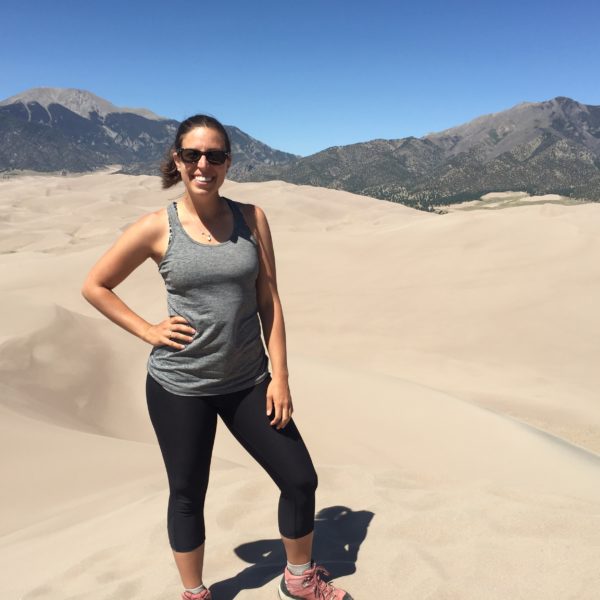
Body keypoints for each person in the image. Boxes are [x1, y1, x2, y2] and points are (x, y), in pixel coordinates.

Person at [81, 114, 353, 600]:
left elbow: (269, 300)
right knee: (188, 493)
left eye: (215, 155)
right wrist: (147, 329)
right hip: (179, 385)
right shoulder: (154, 228)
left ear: (229, 161)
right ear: (177, 160)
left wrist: (280, 376)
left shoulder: (253, 217)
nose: (203, 164)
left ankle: (296, 579)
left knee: (299, 478)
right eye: (192, 155)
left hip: (249, 380)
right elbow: (95, 286)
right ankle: (195, 592)